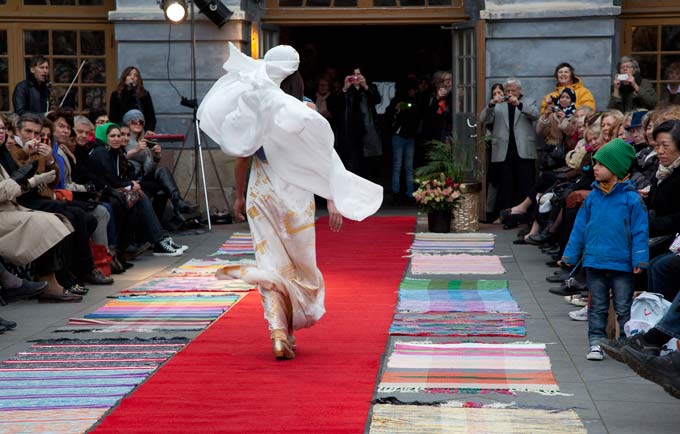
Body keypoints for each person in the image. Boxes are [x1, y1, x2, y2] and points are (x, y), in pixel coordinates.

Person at [197, 43, 382, 360]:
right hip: (296, 188)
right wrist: (332, 198)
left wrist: (240, 195)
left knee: (269, 262)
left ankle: (279, 332)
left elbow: (242, 156)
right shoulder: (305, 109)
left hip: (262, 185)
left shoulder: (252, 102)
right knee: (300, 266)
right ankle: (289, 324)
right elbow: (322, 157)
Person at [561, 138, 649, 361]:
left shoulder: (631, 199)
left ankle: (624, 344)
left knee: (623, 306)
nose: (595, 168)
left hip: (622, 263)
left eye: (601, 164)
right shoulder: (592, 199)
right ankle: (596, 342)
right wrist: (570, 254)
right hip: (595, 262)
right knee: (597, 306)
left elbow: (640, 231)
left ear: (617, 167)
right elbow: (579, 228)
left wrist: (639, 259)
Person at [479, 77, 539, 214]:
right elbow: (483, 119)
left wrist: (519, 104)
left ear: (520, 91)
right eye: (507, 90)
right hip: (503, 151)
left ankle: (526, 215)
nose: (510, 93)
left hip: (523, 151)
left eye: (513, 90)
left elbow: (536, 115)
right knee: (506, 186)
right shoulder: (498, 104)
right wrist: (492, 104)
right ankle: (507, 216)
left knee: (525, 184)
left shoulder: (528, 102)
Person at [335, 65, 382, 177]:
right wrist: (345, 88)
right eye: (354, 75)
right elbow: (335, 105)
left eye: (358, 74)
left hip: (366, 130)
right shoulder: (347, 90)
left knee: (367, 164)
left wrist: (365, 86)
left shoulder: (370, 87)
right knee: (351, 163)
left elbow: (377, 100)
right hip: (350, 132)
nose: (356, 77)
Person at [387, 78, 420, 206]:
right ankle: (396, 193)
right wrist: (397, 109)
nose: (413, 92)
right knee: (398, 166)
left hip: (409, 136)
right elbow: (389, 113)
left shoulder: (414, 102)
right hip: (399, 136)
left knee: (408, 167)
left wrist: (404, 106)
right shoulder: (396, 101)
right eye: (412, 89)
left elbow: (415, 109)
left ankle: (409, 193)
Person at [109, 67, 157, 133]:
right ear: (124, 78)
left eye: (135, 75)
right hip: (123, 131)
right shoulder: (116, 95)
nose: (132, 77)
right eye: (129, 75)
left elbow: (150, 116)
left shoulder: (144, 94)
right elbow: (113, 117)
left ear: (138, 80)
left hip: (141, 130)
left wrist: (149, 129)